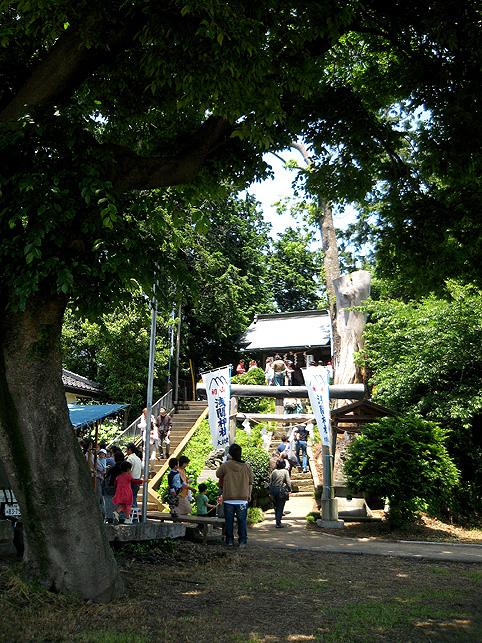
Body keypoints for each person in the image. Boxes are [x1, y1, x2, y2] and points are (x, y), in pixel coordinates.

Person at [216, 443, 253, 548]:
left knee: (229, 521)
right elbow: (250, 483)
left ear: (230, 454)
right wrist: (249, 494)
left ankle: (229, 540)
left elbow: (218, 474)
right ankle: (242, 541)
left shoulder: (226, 465)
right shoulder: (247, 466)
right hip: (243, 498)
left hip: (229, 498)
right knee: (242, 521)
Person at [269, 458, 291, 528]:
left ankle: (277, 519)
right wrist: (290, 490)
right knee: (280, 506)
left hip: (273, 490)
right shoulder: (285, 471)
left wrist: (270, 492)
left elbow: (270, 482)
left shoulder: (274, 472)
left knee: (275, 506)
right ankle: (278, 522)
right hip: (281, 490)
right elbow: (288, 482)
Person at [125, 443, 143, 508]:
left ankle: (133, 511)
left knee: (130, 499)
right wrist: (140, 477)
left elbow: (128, 471)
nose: (126, 451)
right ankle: (136, 510)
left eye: (127, 450)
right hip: (137, 480)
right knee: (134, 497)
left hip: (131, 480)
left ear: (130, 450)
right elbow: (142, 469)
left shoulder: (130, 459)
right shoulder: (138, 459)